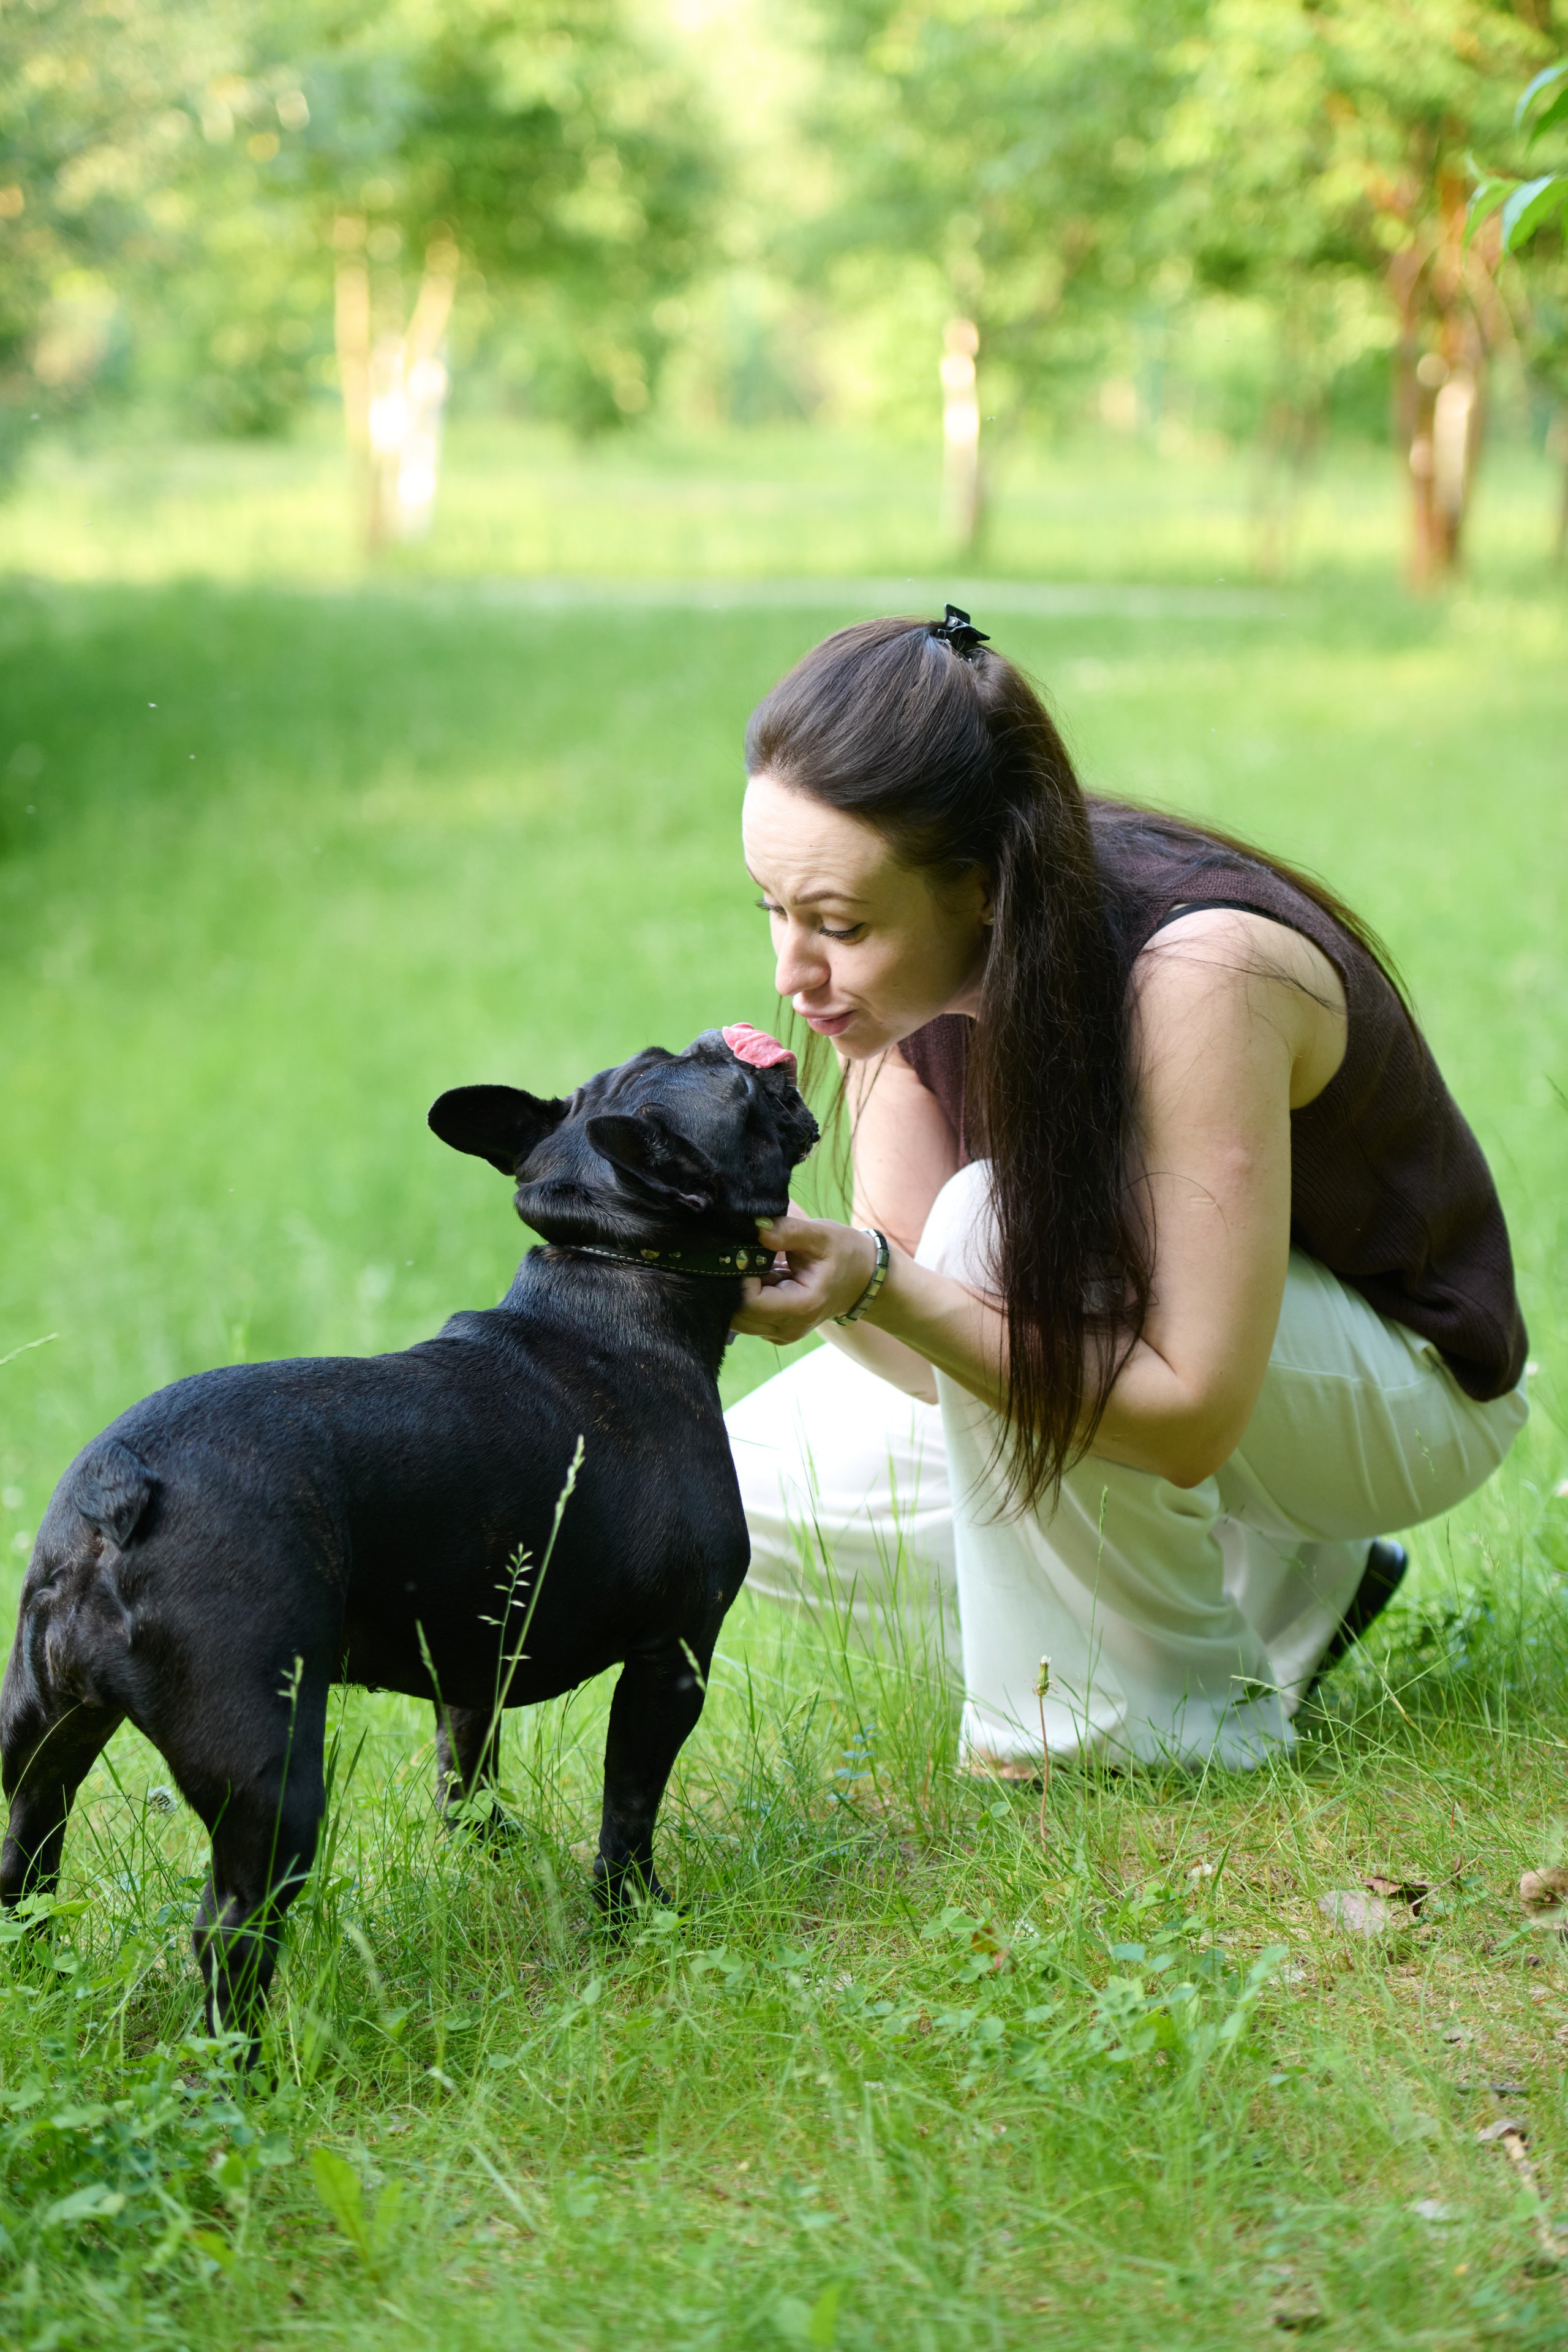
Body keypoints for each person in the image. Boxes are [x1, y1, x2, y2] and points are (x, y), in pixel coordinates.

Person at [723, 608, 1529, 1772]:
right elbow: (930, 1352)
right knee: (742, 1490)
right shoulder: (883, 997)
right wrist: (835, 1286)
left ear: (985, 886)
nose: (793, 973)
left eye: (839, 925)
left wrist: (889, 1281)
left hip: (1397, 1387)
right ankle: (1273, 1605)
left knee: (996, 1231)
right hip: (1197, 1360)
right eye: (774, 910)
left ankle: (1141, 1734)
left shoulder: (1204, 972)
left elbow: (1195, 1412)